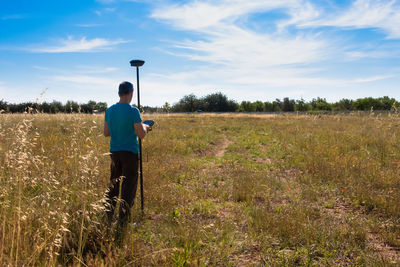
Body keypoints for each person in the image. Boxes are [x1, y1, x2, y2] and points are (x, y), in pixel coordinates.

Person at [103, 81, 151, 224]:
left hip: (114, 153)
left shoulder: (109, 110)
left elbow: (106, 133)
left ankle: (108, 216)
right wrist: (146, 127)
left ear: (119, 93)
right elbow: (141, 134)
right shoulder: (133, 111)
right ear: (131, 93)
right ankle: (123, 221)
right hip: (130, 153)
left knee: (114, 185)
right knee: (128, 187)